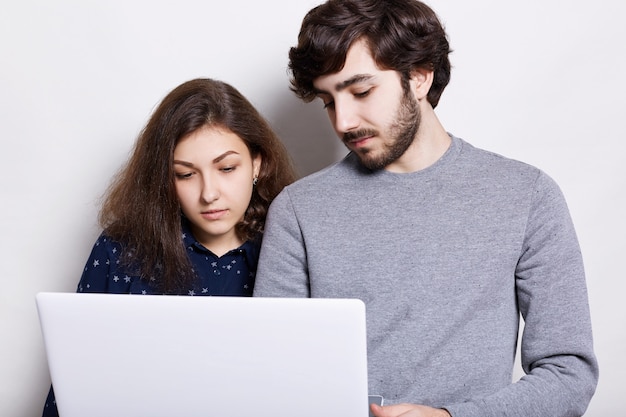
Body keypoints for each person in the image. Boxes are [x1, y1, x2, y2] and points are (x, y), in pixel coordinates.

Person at [253, 1, 599, 416]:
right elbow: (275, 374)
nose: (343, 121)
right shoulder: (297, 210)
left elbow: (568, 374)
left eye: (361, 91)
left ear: (419, 76)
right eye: (328, 101)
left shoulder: (526, 195)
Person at [42, 78, 296, 416]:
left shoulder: (292, 249)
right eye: (185, 174)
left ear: (257, 164)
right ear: (164, 177)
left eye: (226, 168)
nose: (209, 193)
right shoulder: (119, 252)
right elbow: (71, 385)